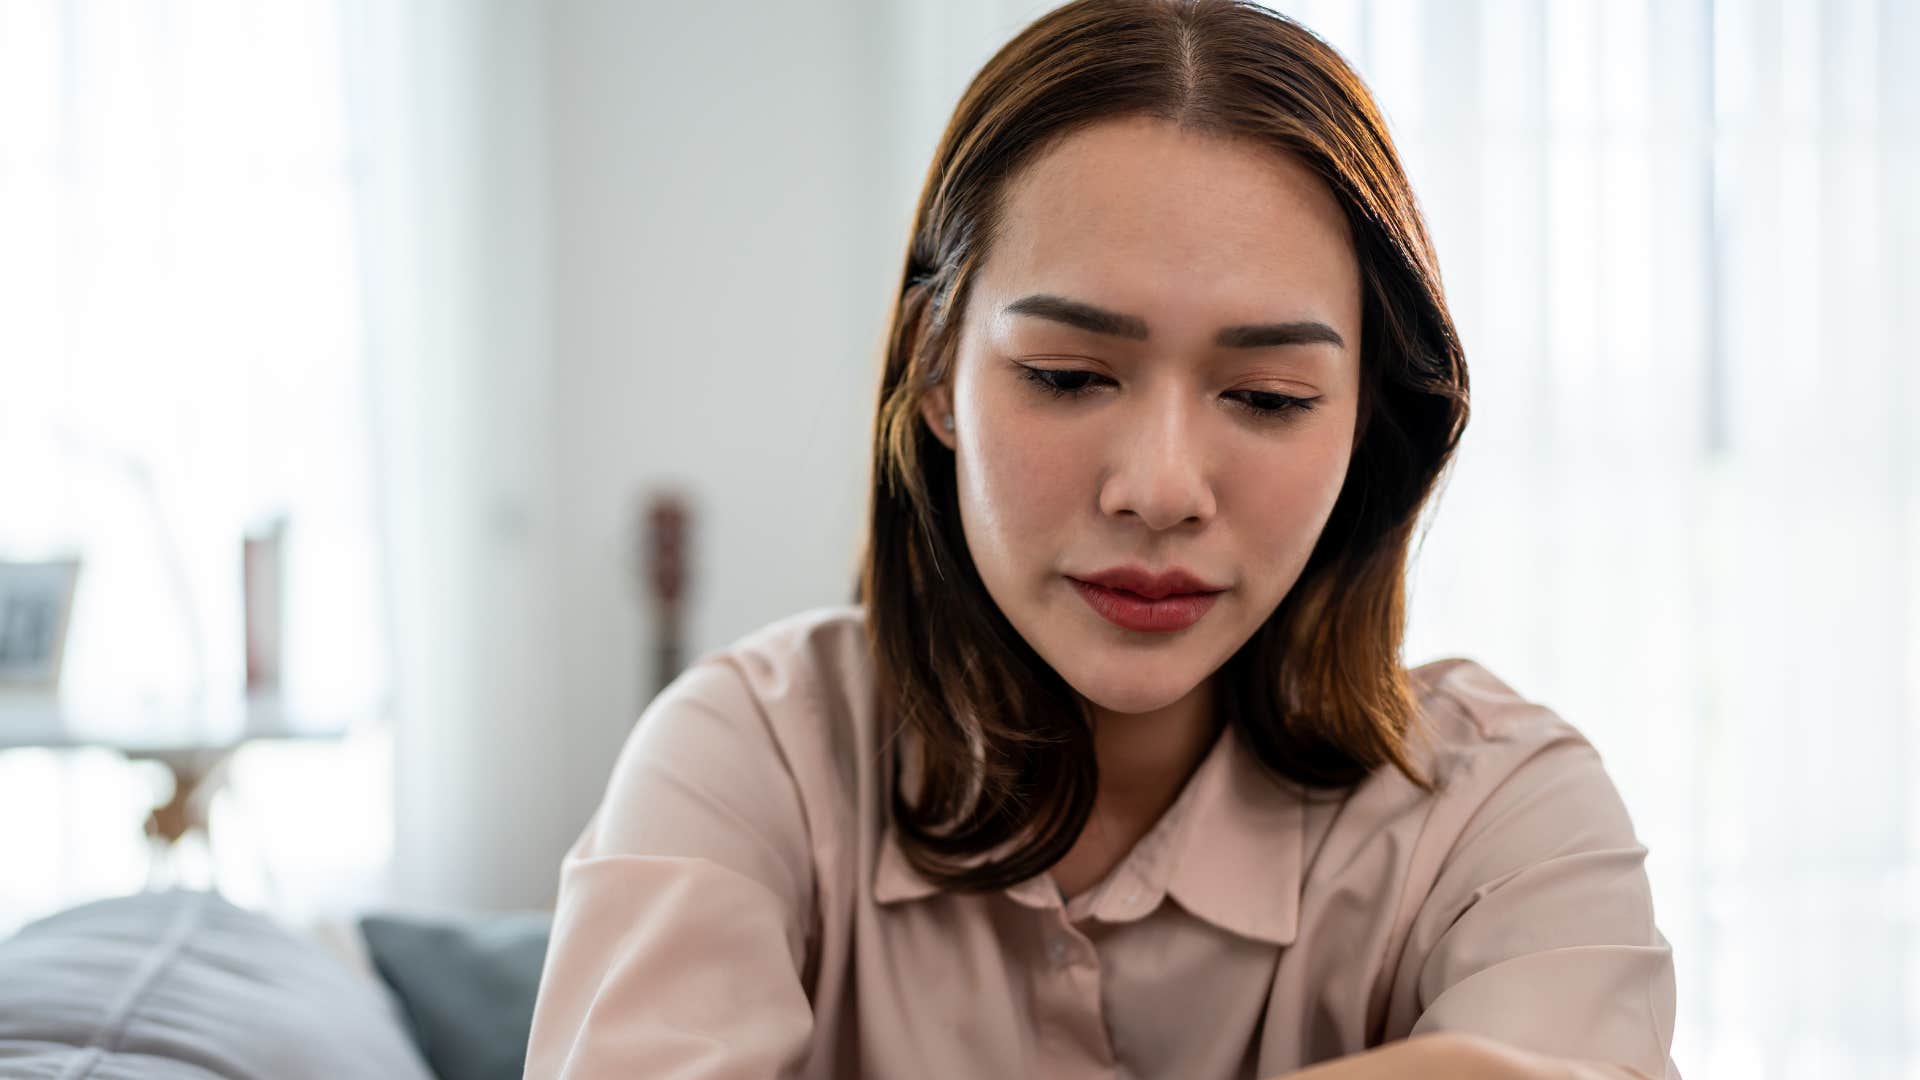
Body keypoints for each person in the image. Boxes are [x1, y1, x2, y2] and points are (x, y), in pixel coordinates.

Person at [523, 1, 1680, 1076]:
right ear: (936, 370)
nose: (1161, 489)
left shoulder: (1504, 813)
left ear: (1370, 415)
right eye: (1069, 376)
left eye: (1270, 396)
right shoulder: (754, 757)